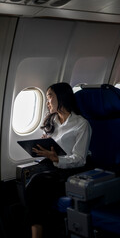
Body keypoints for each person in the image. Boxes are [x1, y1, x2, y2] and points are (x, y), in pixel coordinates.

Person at [25, 82, 92, 238]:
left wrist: (57, 158)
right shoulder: (53, 121)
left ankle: (38, 234)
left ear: (61, 97)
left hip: (72, 170)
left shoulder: (82, 125)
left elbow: (80, 158)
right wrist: (44, 148)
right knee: (27, 174)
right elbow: (54, 149)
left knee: (36, 183)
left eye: (50, 97)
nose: (47, 102)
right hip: (53, 166)